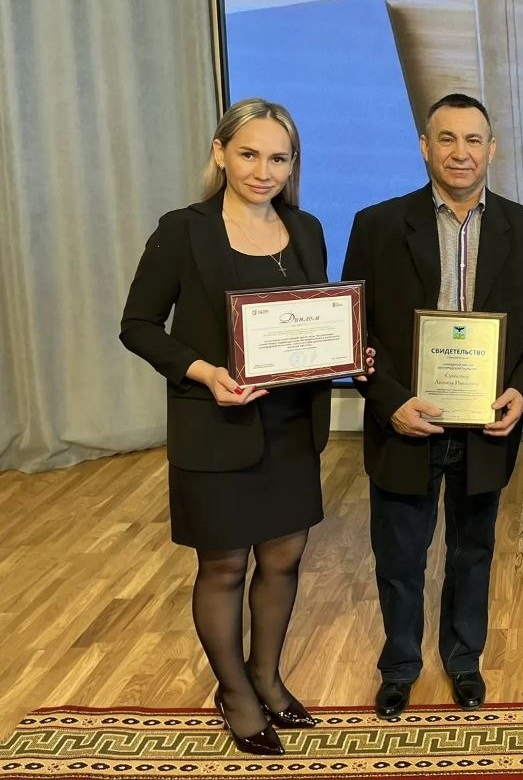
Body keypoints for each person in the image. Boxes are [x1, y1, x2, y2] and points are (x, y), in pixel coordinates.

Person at [120, 99, 371, 756]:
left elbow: (313, 319)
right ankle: (234, 693)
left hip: (291, 427)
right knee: (225, 565)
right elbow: (138, 326)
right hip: (215, 425)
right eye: (250, 154)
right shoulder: (184, 230)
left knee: (283, 558)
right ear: (220, 153)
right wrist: (204, 371)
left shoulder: (306, 228)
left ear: (293, 165)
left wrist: (350, 352)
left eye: (278, 159)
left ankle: (267, 678)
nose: (264, 171)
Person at [341, 93, 523, 716]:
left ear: (492, 150)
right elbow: (353, 329)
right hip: (406, 420)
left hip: (487, 423)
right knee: (400, 554)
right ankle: (400, 666)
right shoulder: (377, 225)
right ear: (424, 146)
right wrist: (389, 402)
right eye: (446, 138)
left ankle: (464, 660)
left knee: (472, 550)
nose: (460, 153)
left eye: (473, 140)